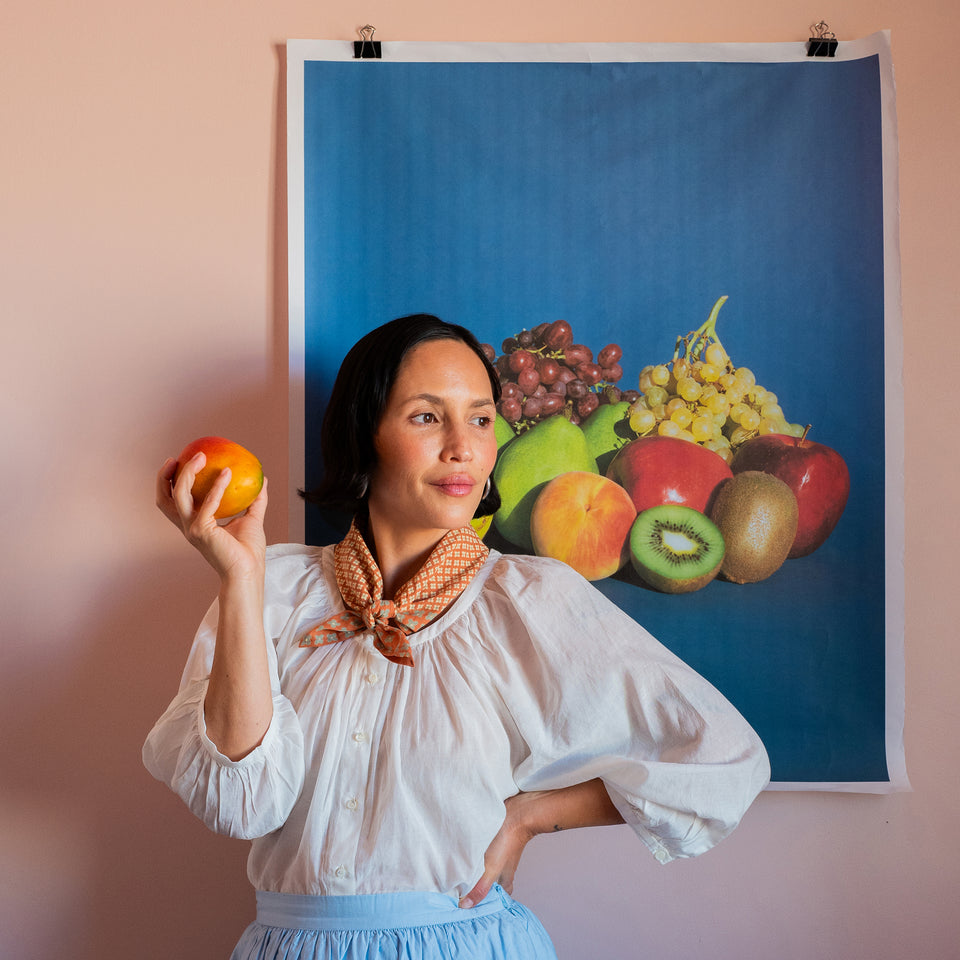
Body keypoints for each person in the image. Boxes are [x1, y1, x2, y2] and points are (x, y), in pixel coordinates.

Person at [144, 313, 770, 960]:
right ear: (365, 433)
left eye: (479, 418)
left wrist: (531, 814)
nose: (463, 446)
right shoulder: (271, 588)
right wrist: (239, 577)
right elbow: (245, 806)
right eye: (425, 417)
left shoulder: (529, 600)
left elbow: (724, 759)